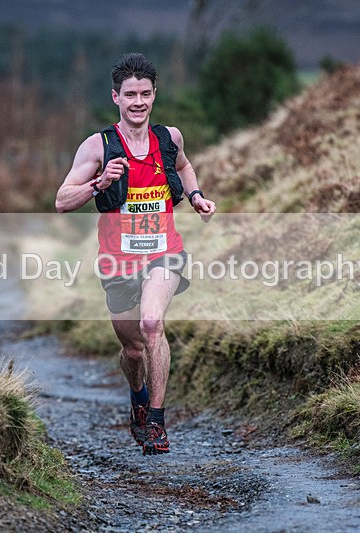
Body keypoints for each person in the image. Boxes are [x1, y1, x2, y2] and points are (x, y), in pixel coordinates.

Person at [55, 53, 216, 455]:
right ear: (116, 97)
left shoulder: (169, 138)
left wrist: (195, 197)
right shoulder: (99, 146)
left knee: (151, 324)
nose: (138, 102)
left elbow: (185, 166)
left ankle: (157, 423)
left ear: (154, 95)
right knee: (131, 349)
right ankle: (138, 396)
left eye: (145, 93)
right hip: (118, 261)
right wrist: (99, 182)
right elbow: (61, 200)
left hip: (164, 253)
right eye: (130, 94)